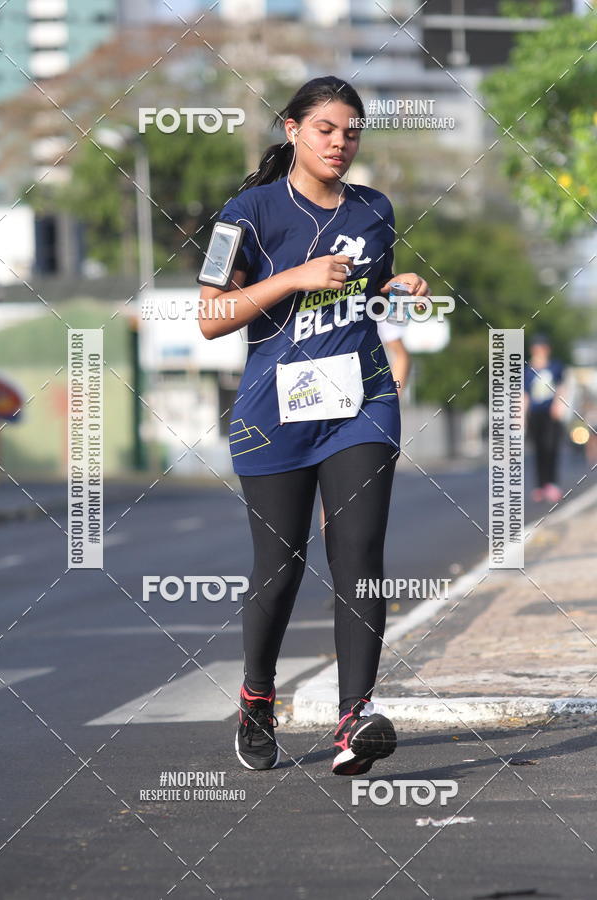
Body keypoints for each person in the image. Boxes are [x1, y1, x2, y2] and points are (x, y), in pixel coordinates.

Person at [198, 76, 429, 775]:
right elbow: (210, 317)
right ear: (292, 129)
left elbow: (366, 298)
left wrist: (397, 291)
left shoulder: (375, 210)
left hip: (361, 402)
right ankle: (256, 697)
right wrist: (292, 278)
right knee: (280, 569)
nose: (340, 143)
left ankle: (355, 717)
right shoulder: (246, 212)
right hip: (274, 413)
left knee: (359, 551)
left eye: (352, 131)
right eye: (326, 129)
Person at [524, 334, 566, 503]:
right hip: (535, 414)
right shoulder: (527, 371)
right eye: (537, 348)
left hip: (551, 414)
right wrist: (521, 418)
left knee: (551, 448)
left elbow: (561, 387)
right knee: (538, 450)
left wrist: (559, 405)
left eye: (542, 348)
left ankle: (552, 484)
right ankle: (540, 485)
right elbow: (525, 395)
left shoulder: (555, 367)